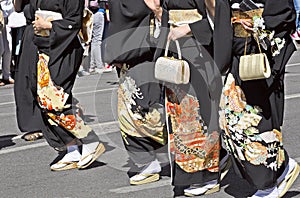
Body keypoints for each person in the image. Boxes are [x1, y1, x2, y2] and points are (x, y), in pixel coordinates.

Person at [219, 0, 300, 197]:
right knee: (230, 117)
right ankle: (282, 167)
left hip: (262, 47)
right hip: (240, 47)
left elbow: (283, 11)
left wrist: (260, 24)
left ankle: (268, 183)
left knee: (256, 118)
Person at [14, 0, 105, 171]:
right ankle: (71, 147)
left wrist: (48, 24)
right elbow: (28, 10)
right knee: (42, 97)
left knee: (55, 97)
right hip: (43, 45)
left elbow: (74, 22)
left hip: (64, 48)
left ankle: (89, 139)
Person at [160, 0, 233, 196]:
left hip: (199, 49)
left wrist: (189, 28)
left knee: (199, 112)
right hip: (177, 47)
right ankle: (200, 166)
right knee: (180, 115)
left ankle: (207, 174)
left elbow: (217, 15)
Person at [105, 0, 168, 185]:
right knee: (130, 113)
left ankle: (209, 153)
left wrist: (156, 10)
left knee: (151, 112)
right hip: (130, 52)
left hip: (148, 52)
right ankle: (146, 161)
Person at [0, 0, 14, 86]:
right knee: (1, 48)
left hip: (9, 14)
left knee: (8, 48)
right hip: (1, 13)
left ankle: (6, 75)